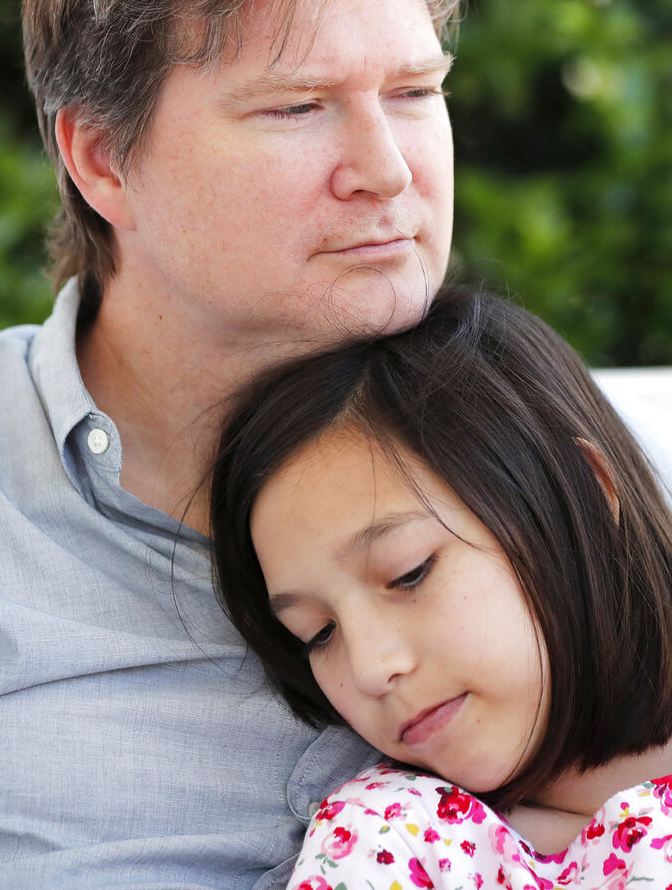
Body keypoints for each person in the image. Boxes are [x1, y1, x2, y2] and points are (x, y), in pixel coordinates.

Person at [0, 0, 469, 886]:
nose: (385, 170)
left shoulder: (575, 478)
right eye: (297, 106)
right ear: (103, 159)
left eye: (414, 92)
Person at [210, 285, 672, 888]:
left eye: (409, 573)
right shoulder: (395, 843)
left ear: (581, 494)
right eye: (318, 634)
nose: (371, 669)